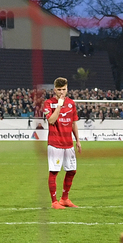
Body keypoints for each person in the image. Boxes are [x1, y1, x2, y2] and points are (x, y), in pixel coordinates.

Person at [42, 77, 82, 209]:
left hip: (68, 143)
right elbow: (51, 120)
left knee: (72, 170)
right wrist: (59, 105)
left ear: (67, 89)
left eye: (63, 89)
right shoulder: (48, 103)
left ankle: (65, 198)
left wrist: (78, 140)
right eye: (59, 90)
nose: (61, 92)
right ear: (54, 90)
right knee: (54, 171)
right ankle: (54, 202)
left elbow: (74, 123)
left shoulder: (71, 103)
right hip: (55, 143)